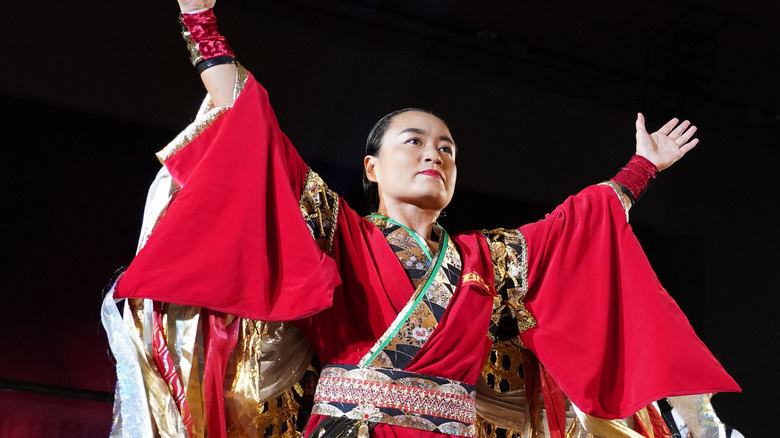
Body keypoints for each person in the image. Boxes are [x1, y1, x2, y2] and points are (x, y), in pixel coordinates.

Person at [101, 1, 740, 437]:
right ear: (372, 168)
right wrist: (201, 22)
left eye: (447, 149)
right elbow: (256, 132)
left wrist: (640, 170)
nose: (433, 153)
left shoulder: (489, 261)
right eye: (413, 141)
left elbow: (578, 228)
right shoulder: (341, 232)